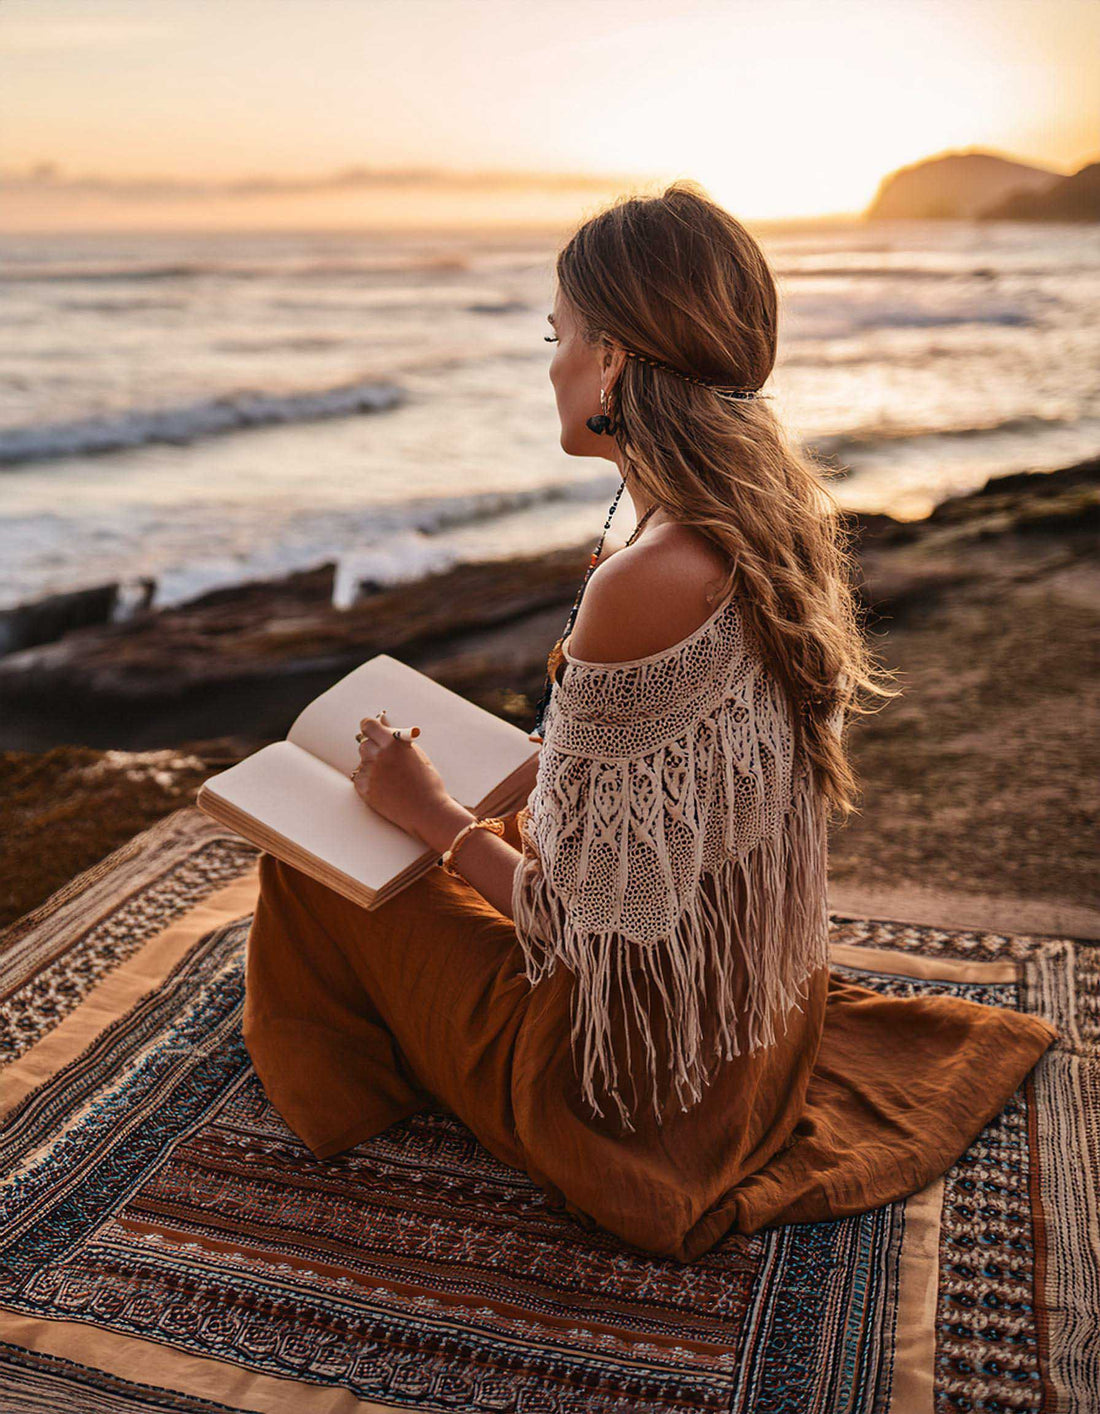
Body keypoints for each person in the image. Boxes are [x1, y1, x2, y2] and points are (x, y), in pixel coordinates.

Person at [242, 181, 1058, 1263]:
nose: (551, 364)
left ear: (614, 361)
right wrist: (553, 771)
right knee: (469, 828)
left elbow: (568, 928)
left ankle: (356, 1093)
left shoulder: (647, 577)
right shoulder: (773, 520)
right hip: (752, 1023)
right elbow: (688, 778)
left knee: (309, 861)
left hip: (629, 1088)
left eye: (560, 335)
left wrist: (432, 812)